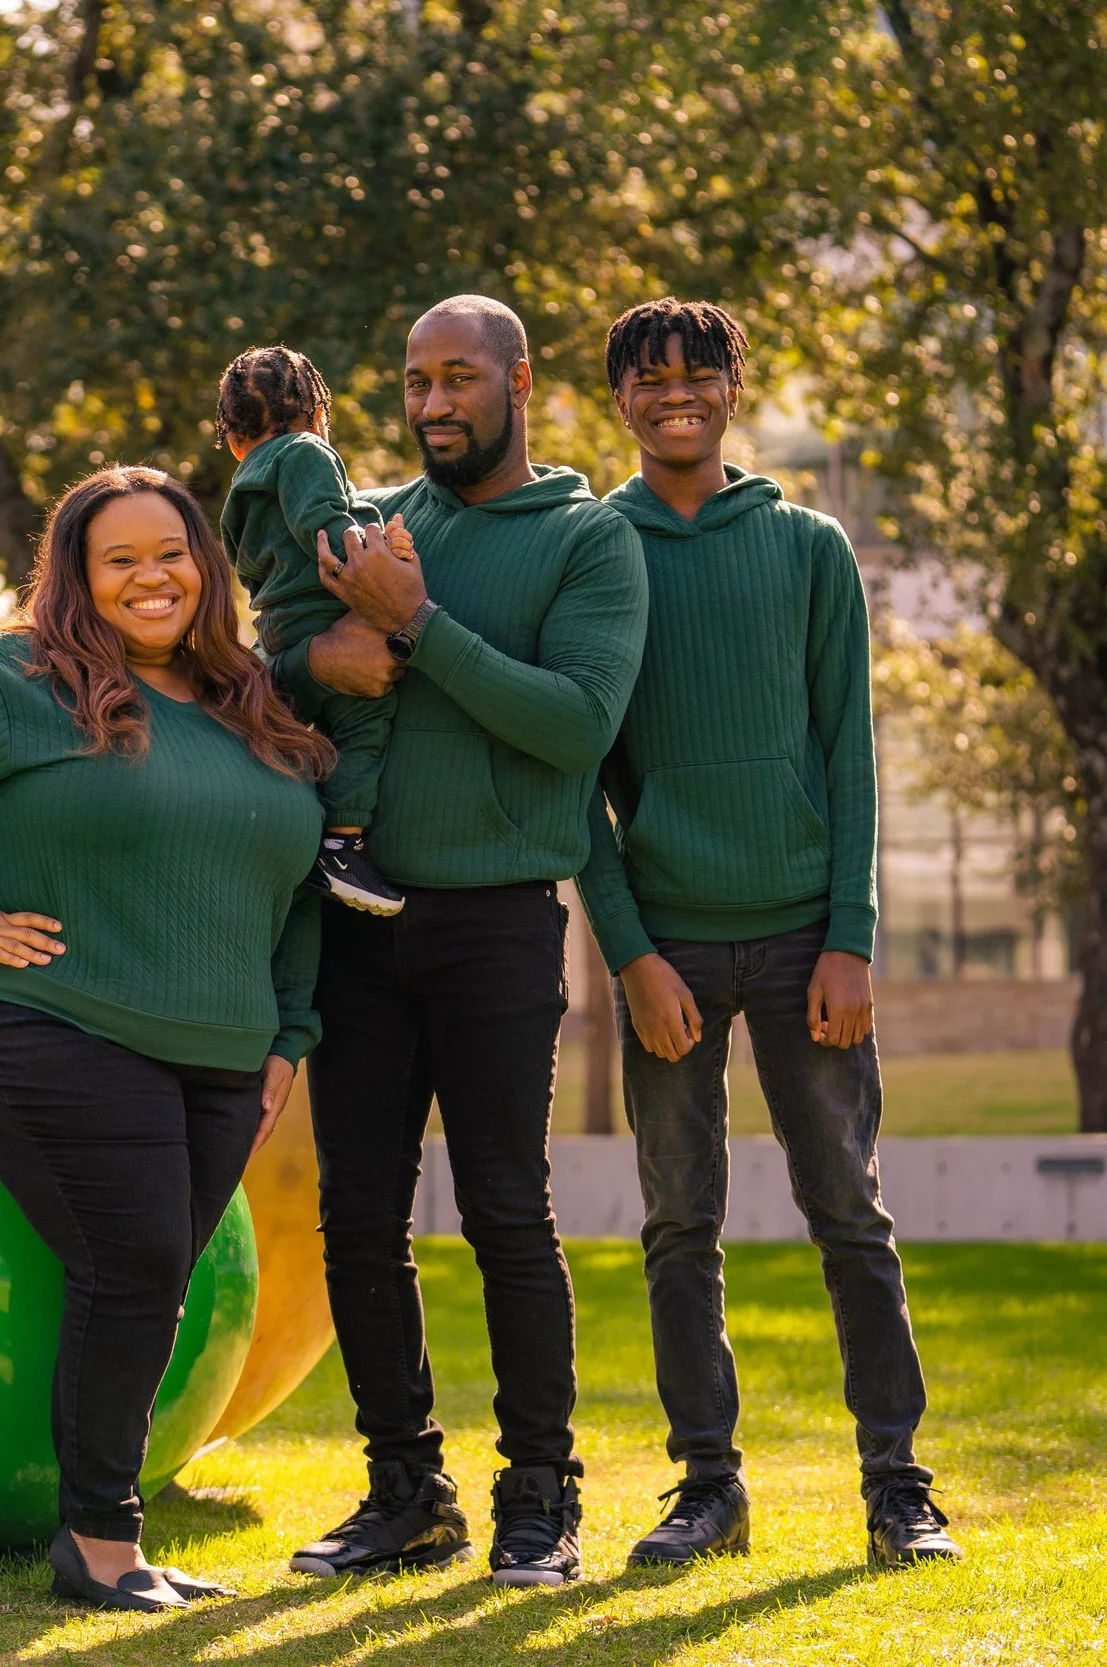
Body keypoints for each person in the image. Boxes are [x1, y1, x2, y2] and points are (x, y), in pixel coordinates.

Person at [0, 466, 332, 1612]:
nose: (152, 576)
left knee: (149, 1286)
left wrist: (287, 1037)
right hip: (48, 1020)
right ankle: (101, 1544)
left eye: (172, 552)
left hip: (222, 1054)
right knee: (136, 1267)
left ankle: (107, 1534)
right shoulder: (18, 679)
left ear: (204, 567)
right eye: (120, 559)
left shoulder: (250, 702)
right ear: (78, 576)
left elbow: (300, 895)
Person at [576, 296, 961, 1569]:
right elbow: (574, 778)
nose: (673, 392)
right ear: (619, 398)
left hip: (806, 940)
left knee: (847, 1208)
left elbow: (849, 751)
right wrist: (629, 952)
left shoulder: (807, 547)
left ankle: (898, 1486)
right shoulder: (595, 554)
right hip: (669, 950)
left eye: (697, 372)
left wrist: (852, 932)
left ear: (731, 388)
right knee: (678, 1224)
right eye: (648, 377)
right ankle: (708, 1488)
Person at [273, 295, 648, 1587]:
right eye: (415, 381)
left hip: (497, 921)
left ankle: (540, 1495)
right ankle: (405, 1493)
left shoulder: (589, 541)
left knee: (505, 1212)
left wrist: (418, 624)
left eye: (458, 378)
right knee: (357, 1215)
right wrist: (323, 658)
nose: (433, 403)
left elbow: (577, 724)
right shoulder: (374, 525)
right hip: (356, 915)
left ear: (519, 381)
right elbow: (274, 670)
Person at [216, 344, 415, 916]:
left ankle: (294, 829)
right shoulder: (306, 450)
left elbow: (245, 567)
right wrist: (378, 556)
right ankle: (340, 845)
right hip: (325, 611)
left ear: (233, 439)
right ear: (318, 414)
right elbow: (324, 524)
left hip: (278, 625)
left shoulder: (240, 491)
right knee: (365, 720)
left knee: (307, 736)